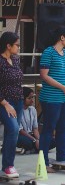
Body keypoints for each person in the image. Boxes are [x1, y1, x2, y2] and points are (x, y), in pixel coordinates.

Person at [39, 26, 65, 172]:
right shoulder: (49, 52)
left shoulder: (64, 53)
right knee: (48, 129)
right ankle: (44, 163)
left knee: (62, 128)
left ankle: (61, 158)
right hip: (51, 98)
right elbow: (44, 75)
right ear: (62, 37)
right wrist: (63, 87)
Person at [0, 32, 23, 178]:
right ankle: (8, 165)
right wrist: (5, 103)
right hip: (4, 102)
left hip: (18, 100)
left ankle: (7, 166)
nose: (19, 48)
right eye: (17, 45)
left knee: (13, 133)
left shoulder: (15, 60)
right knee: (13, 129)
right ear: (8, 45)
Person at [17, 87, 56, 154]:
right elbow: (20, 131)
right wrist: (34, 140)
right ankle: (36, 148)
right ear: (22, 99)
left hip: (32, 135)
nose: (32, 100)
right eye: (29, 98)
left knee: (54, 141)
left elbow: (35, 128)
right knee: (27, 142)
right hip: (21, 136)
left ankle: (33, 149)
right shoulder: (17, 110)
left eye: (32, 97)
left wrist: (38, 140)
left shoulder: (33, 109)